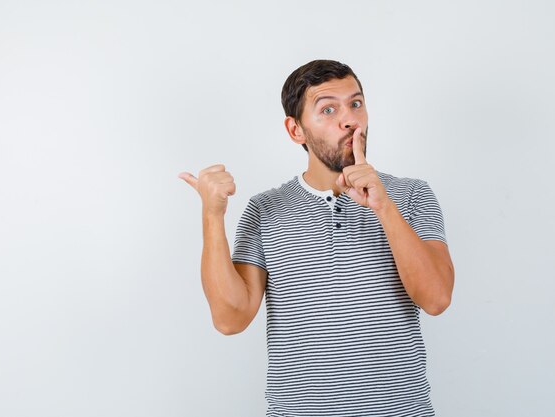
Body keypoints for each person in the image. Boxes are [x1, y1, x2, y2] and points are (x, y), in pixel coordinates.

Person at [179, 59, 454, 417]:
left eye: (356, 103)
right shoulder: (265, 209)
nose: (350, 119)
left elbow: (436, 299)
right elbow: (230, 319)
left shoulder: (411, 195)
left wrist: (383, 207)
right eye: (328, 109)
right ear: (296, 130)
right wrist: (212, 215)